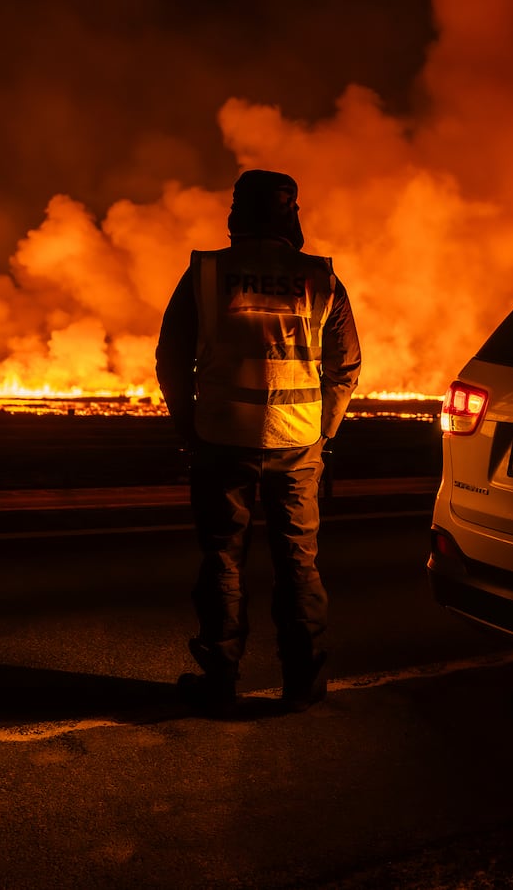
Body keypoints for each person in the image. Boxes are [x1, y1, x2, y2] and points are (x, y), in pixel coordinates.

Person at [155, 169, 361, 716]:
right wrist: (323, 431)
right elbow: (347, 366)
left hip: (222, 440)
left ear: (236, 214)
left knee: (223, 557)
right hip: (298, 445)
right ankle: (304, 685)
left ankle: (219, 679)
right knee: (298, 564)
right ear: (291, 214)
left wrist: (188, 427)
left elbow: (170, 360)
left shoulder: (206, 273)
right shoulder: (320, 278)